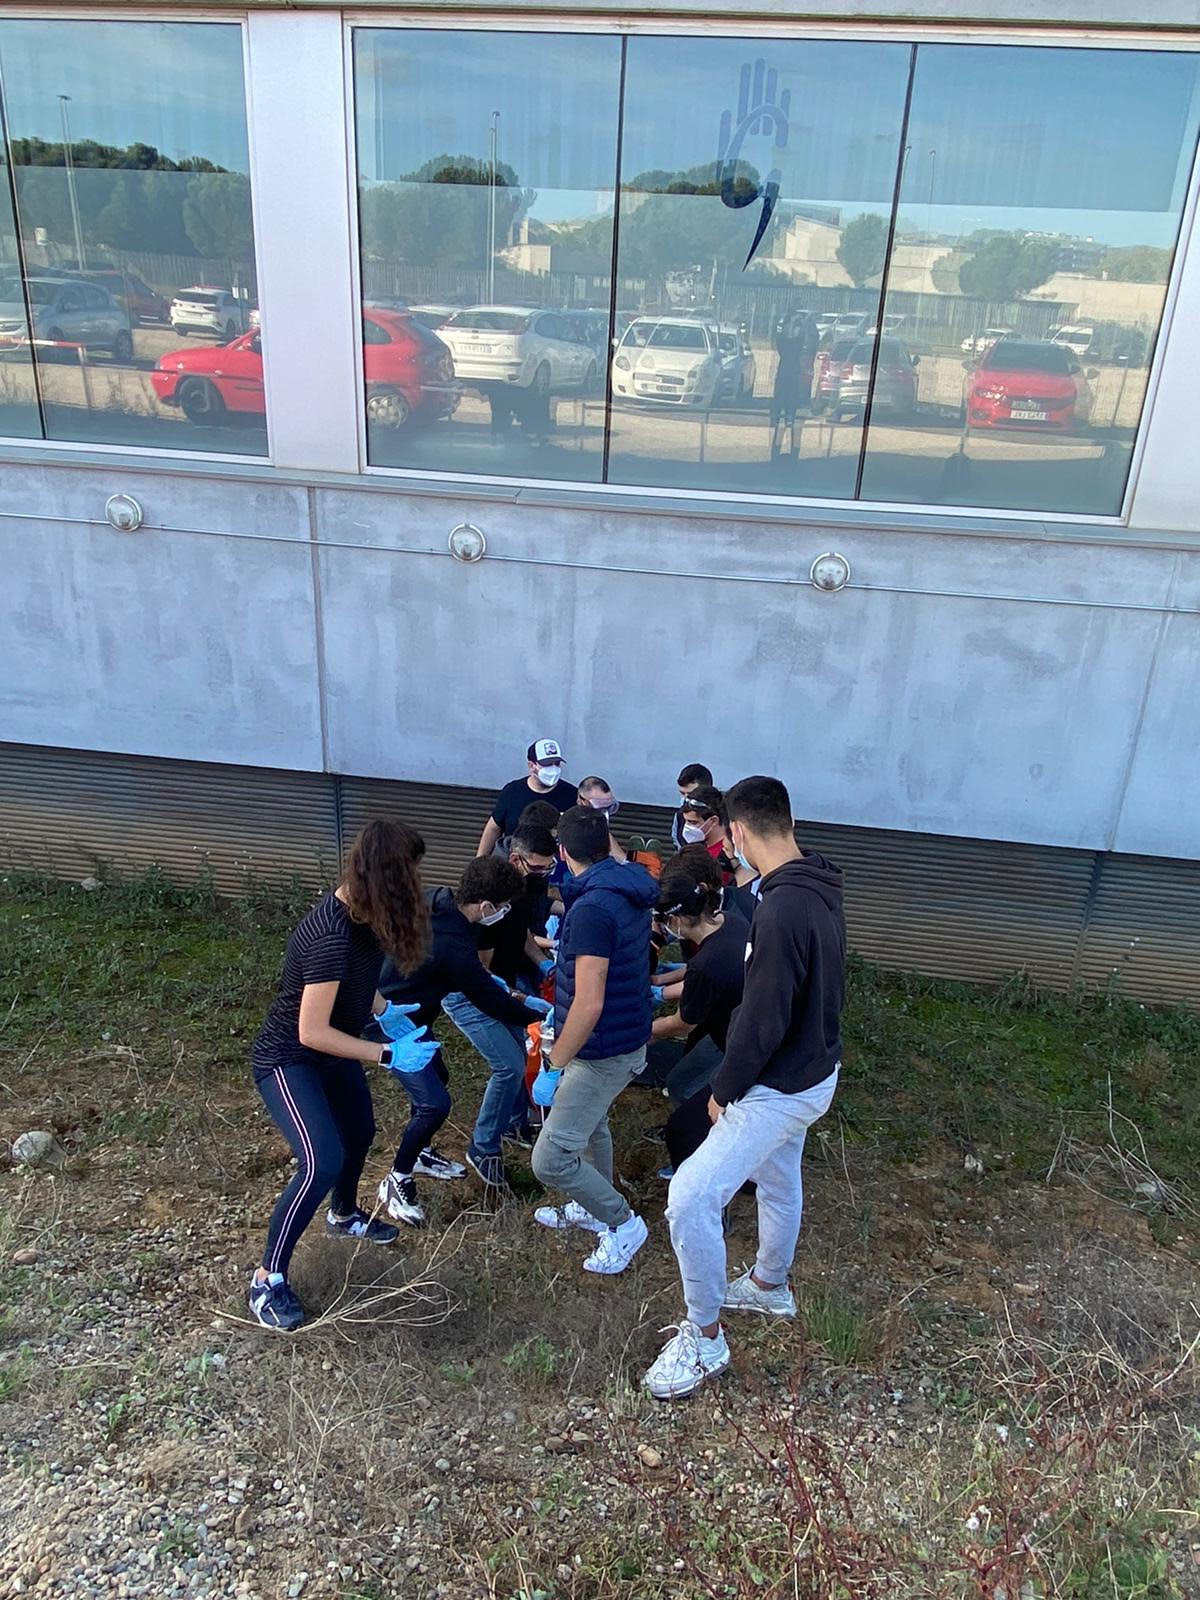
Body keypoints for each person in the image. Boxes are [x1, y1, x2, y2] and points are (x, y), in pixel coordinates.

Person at [644, 776, 846, 1400]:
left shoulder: (780, 908)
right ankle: (769, 1285)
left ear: (734, 832)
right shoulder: (817, 882)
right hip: (815, 1070)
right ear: (789, 821)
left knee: (689, 1197)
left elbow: (763, 1016)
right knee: (779, 1179)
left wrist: (724, 1089)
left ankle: (705, 1339)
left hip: (779, 1084)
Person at [248, 819, 437, 1332]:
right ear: (388, 876)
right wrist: (386, 1054)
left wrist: (386, 1011)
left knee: (360, 1132)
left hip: (332, 1053)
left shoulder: (366, 915)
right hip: (290, 1060)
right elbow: (311, 1031)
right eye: (411, 873)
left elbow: (355, 982)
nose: (416, 883)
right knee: (321, 1161)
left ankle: (343, 1215)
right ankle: (267, 1281)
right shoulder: (330, 935)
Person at [375, 856, 552, 1219]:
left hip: (412, 1014)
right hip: (386, 1021)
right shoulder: (453, 946)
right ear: (486, 906)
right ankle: (397, 1178)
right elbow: (491, 1002)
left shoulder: (438, 899)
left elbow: (479, 980)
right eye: (502, 907)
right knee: (434, 1103)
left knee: (438, 1076)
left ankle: (421, 1152)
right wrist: (539, 1014)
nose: (504, 912)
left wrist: (505, 990)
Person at [531, 806, 657, 1275]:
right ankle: (591, 1206)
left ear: (562, 852)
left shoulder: (591, 910)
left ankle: (623, 1224)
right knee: (593, 1125)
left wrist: (554, 1064)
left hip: (600, 1049)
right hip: (623, 1036)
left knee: (551, 1159)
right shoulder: (627, 886)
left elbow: (588, 1004)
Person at [444, 821, 559, 1187]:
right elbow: (482, 980)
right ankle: (483, 1147)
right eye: (538, 866)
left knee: (521, 1051)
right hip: (472, 993)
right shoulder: (481, 913)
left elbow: (522, 932)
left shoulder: (518, 889)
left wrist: (544, 964)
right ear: (516, 859)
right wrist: (523, 1003)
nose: (543, 873)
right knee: (508, 1066)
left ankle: (513, 1122)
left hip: (499, 985)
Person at [651, 859, 749, 1124]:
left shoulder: (704, 968)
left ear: (674, 920)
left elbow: (682, 1024)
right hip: (744, 1020)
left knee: (682, 1085)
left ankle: (697, 1132)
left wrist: (643, 1032)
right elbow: (702, 965)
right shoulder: (731, 922)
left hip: (731, 1039)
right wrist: (662, 979)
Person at [476, 739, 577, 857]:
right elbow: (493, 828)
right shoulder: (512, 792)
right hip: (516, 861)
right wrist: (480, 860)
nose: (553, 769)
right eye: (547, 764)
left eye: (557, 763)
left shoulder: (571, 795)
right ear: (531, 766)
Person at [578, 775, 627, 861]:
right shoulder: (570, 828)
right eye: (599, 808)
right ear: (582, 803)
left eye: (609, 807)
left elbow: (622, 860)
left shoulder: (603, 831)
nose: (604, 813)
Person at [671, 763, 714, 851]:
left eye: (691, 794)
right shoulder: (679, 816)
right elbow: (676, 842)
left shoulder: (722, 819)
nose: (686, 799)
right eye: (682, 793)